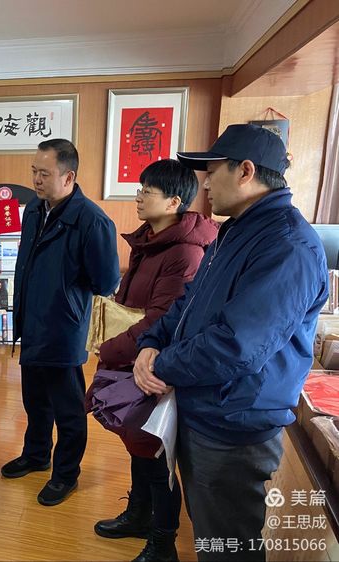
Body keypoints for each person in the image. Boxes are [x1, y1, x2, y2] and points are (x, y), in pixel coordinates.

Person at [133, 124, 328, 561]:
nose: (203, 183)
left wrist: (160, 365)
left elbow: (237, 346)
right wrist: (151, 342)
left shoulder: (287, 246)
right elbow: (188, 303)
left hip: (234, 424)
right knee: (210, 533)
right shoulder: (236, 229)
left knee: (228, 546)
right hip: (206, 407)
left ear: (245, 171)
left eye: (212, 171)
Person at [93, 159, 218, 562]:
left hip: (154, 368)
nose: (138, 197)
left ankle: (163, 543)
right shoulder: (152, 240)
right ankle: (138, 515)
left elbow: (161, 320)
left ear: (174, 202)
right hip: (132, 359)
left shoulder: (184, 252)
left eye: (148, 191)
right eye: (140, 188)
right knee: (138, 446)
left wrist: (110, 348)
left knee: (156, 457)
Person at [1, 138, 120, 506]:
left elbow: (106, 282)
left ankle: (66, 474)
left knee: (68, 411)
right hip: (31, 323)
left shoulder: (92, 221)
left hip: (63, 330)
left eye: (44, 173)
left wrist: (66, 293)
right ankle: (36, 454)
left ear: (69, 177)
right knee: (35, 401)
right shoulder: (34, 210)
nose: (36, 180)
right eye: (34, 171)